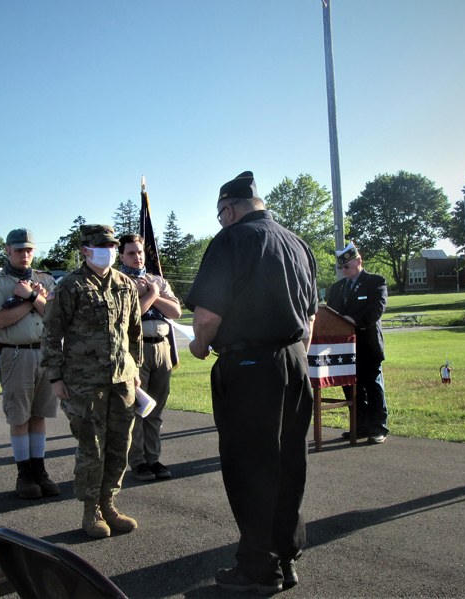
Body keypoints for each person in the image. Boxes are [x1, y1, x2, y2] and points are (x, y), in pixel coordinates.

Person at [186, 171, 317, 595]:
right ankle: (285, 557)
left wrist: (199, 347)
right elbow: (310, 317)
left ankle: (259, 568)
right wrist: (293, 355)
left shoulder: (230, 241)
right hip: (295, 361)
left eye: (221, 214)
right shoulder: (297, 243)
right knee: (288, 464)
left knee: (251, 467)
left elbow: (206, 317)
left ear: (229, 209)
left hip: (249, 365)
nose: (221, 221)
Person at [41, 224, 143, 539]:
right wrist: (55, 376)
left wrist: (135, 368)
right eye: (101, 246)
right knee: (92, 448)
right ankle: (91, 511)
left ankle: (109, 503)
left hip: (122, 381)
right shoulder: (70, 286)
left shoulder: (126, 285)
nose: (108, 251)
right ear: (85, 250)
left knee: (119, 446)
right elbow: (50, 333)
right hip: (84, 384)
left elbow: (134, 332)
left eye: (112, 246)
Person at [0, 228, 60, 499]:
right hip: (15, 354)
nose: (25, 255)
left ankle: (39, 469)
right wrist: (32, 300)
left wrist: (29, 296)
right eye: (18, 250)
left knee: (39, 414)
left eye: (29, 250)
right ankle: (24, 473)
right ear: (7, 250)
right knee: (19, 416)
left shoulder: (45, 279)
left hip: (45, 353)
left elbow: (54, 315)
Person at [118, 234, 182, 482]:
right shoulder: (120, 281)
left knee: (155, 408)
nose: (137, 257)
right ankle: (138, 462)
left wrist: (153, 290)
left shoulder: (156, 280)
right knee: (137, 408)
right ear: (121, 255)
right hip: (136, 350)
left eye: (140, 252)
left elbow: (175, 311)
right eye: (131, 253)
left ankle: (153, 458)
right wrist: (151, 295)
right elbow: (132, 316)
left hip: (162, 348)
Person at [326, 242, 389, 443]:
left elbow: (375, 310)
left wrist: (353, 321)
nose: (344, 271)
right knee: (351, 389)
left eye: (347, 266)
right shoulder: (337, 288)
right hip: (344, 348)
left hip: (367, 345)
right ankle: (360, 426)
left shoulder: (375, 282)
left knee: (372, 387)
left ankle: (378, 428)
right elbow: (330, 313)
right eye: (341, 267)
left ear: (359, 261)